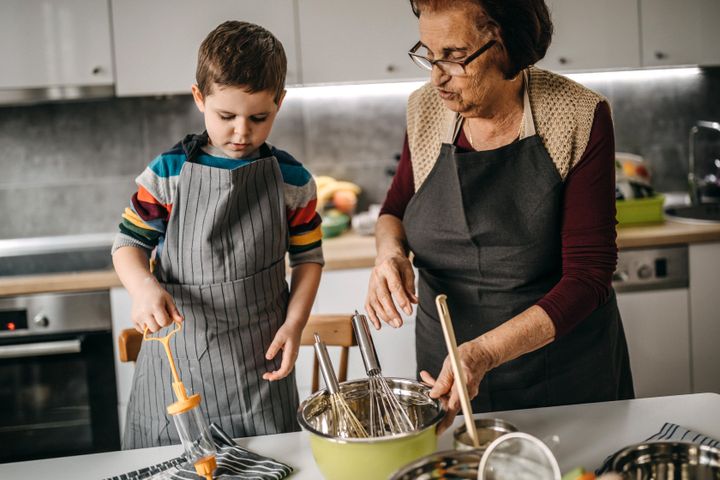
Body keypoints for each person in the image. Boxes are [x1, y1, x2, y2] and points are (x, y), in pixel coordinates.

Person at [365, 0, 634, 424]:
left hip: (560, 374)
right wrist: (389, 255)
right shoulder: (426, 109)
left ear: (506, 46)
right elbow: (394, 209)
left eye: (453, 57)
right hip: (447, 370)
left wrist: (486, 351)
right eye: (428, 55)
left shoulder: (578, 116)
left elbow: (588, 277)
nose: (437, 77)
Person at [112, 20, 323, 448]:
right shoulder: (168, 173)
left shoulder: (292, 180)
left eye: (258, 117)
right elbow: (128, 244)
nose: (241, 132)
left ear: (279, 103)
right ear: (199, 98)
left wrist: (295, 322)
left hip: (259, 371)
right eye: (226, 116)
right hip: (176, 369)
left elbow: (308, 258)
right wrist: (143, 287)